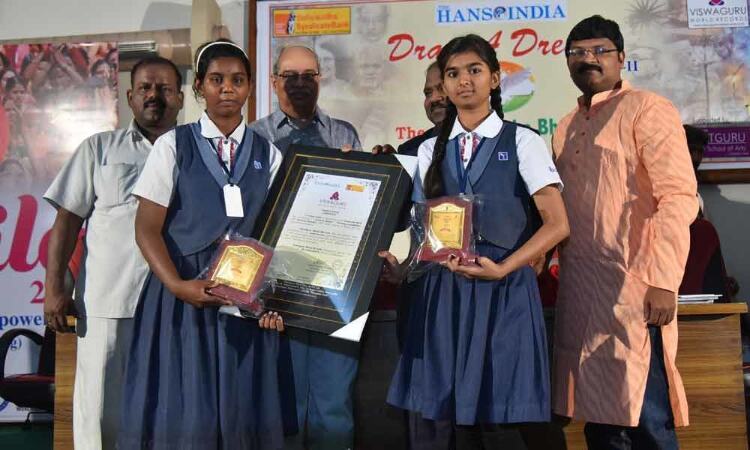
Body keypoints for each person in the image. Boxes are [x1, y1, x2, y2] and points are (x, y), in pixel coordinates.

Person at [385, 34, 569, 449]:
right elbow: (424, 232)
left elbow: (558, 224)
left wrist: (505, 268)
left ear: (495, 79)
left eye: (474, 70)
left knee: (511, 415)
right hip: (443, 294)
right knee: (451, 417)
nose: (463, 81)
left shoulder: (522, 141)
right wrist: (405, 271)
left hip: (505, 290)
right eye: (453, 74)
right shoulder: (428, 150)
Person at [116, 39, 296, 450]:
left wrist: (274, 300)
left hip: (245, 301)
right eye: (216, 80)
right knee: (186, 413)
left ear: (250, 86)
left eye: (237, 80)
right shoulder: (172, 145)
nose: (227, 88)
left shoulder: (268, 154)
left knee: (241, 413)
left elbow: (277, 235)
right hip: (182, 299)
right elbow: (146, 229)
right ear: (199, 86)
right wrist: (178, 286)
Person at [551, 16, 698, 450]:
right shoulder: (565, 126)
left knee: (647, 421)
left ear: (620, 58)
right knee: (602, 425)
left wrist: (663, 281)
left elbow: (678, 197)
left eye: (599, 50)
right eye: (578, 52)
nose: (588, 59)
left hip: (635, 292)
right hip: (581, 296)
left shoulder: (648, 108)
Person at [42, 56, 184, 450]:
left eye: (165, 89)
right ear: (130, 96)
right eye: (146, 88)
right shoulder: (99, 148)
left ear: (180, 97)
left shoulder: (195, 152)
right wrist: (54, 288)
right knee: (100, 411)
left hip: (176, 305)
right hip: (109, 302)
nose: (155, 96)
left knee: (170, 410)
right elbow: (67, 221)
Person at [250, 45, 361, 450]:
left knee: (334, 404)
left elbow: (362, 204)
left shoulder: (344, 134)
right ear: (274, 80)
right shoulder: (254, 137)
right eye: (290, 75)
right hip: (277, 287)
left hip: (337, 285)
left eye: (308, 75)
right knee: (285, 401)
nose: (300, 83)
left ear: (320, 79)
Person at [398, 61, 448, 157]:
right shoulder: (409, 150)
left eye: (443, 89)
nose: (433, 99)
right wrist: (393, 162)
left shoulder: (479, 142)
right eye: (428, 93)